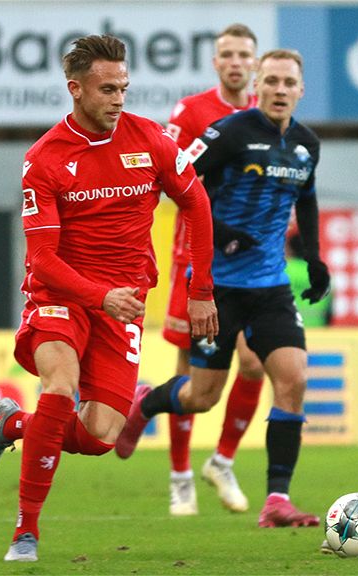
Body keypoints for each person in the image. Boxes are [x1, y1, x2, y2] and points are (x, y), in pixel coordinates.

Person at [0, 34, 218, 563]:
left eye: (124, 87)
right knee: (60, 388)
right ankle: (25, 533)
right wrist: (99, 297)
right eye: (107, 89)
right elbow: (43, 262)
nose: (119, 98)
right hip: (61, 297)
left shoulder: (149, 140)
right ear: (75, 89)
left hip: (122, 304)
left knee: (101, 434)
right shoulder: (45, 159)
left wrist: (200, 292)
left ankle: (13, 424)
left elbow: (196, 204)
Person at [115, 49, 331, 528]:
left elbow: (309, 198)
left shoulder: (306, 144)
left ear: (300, 90)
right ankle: (147, 402)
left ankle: (276, 500)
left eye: (287, 83)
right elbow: (180, 179)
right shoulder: (231, 132)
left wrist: (314, 257)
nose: (278, 90)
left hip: (271, 285)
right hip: (216, 285)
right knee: (202, 396)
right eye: (270, 81)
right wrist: (222, 228)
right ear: (257, 86)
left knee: (292, 380)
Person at [142, 23, 264, 518]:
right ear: (215, 63)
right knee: (188, 373)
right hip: (199, 256)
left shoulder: (266, 112)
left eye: (243, 54)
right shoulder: (190, 112)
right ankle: (179, 477)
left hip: (254, 262)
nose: (236, 62)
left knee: (255, 363)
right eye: (227, 54)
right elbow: (171, 175)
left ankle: (223, 461)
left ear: (254, 62)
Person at [285, 232, 332, 327]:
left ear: (290, 248)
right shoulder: (321, 273)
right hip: (318, 332)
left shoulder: (283, 270)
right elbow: (330, 312)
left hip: (289, 332)